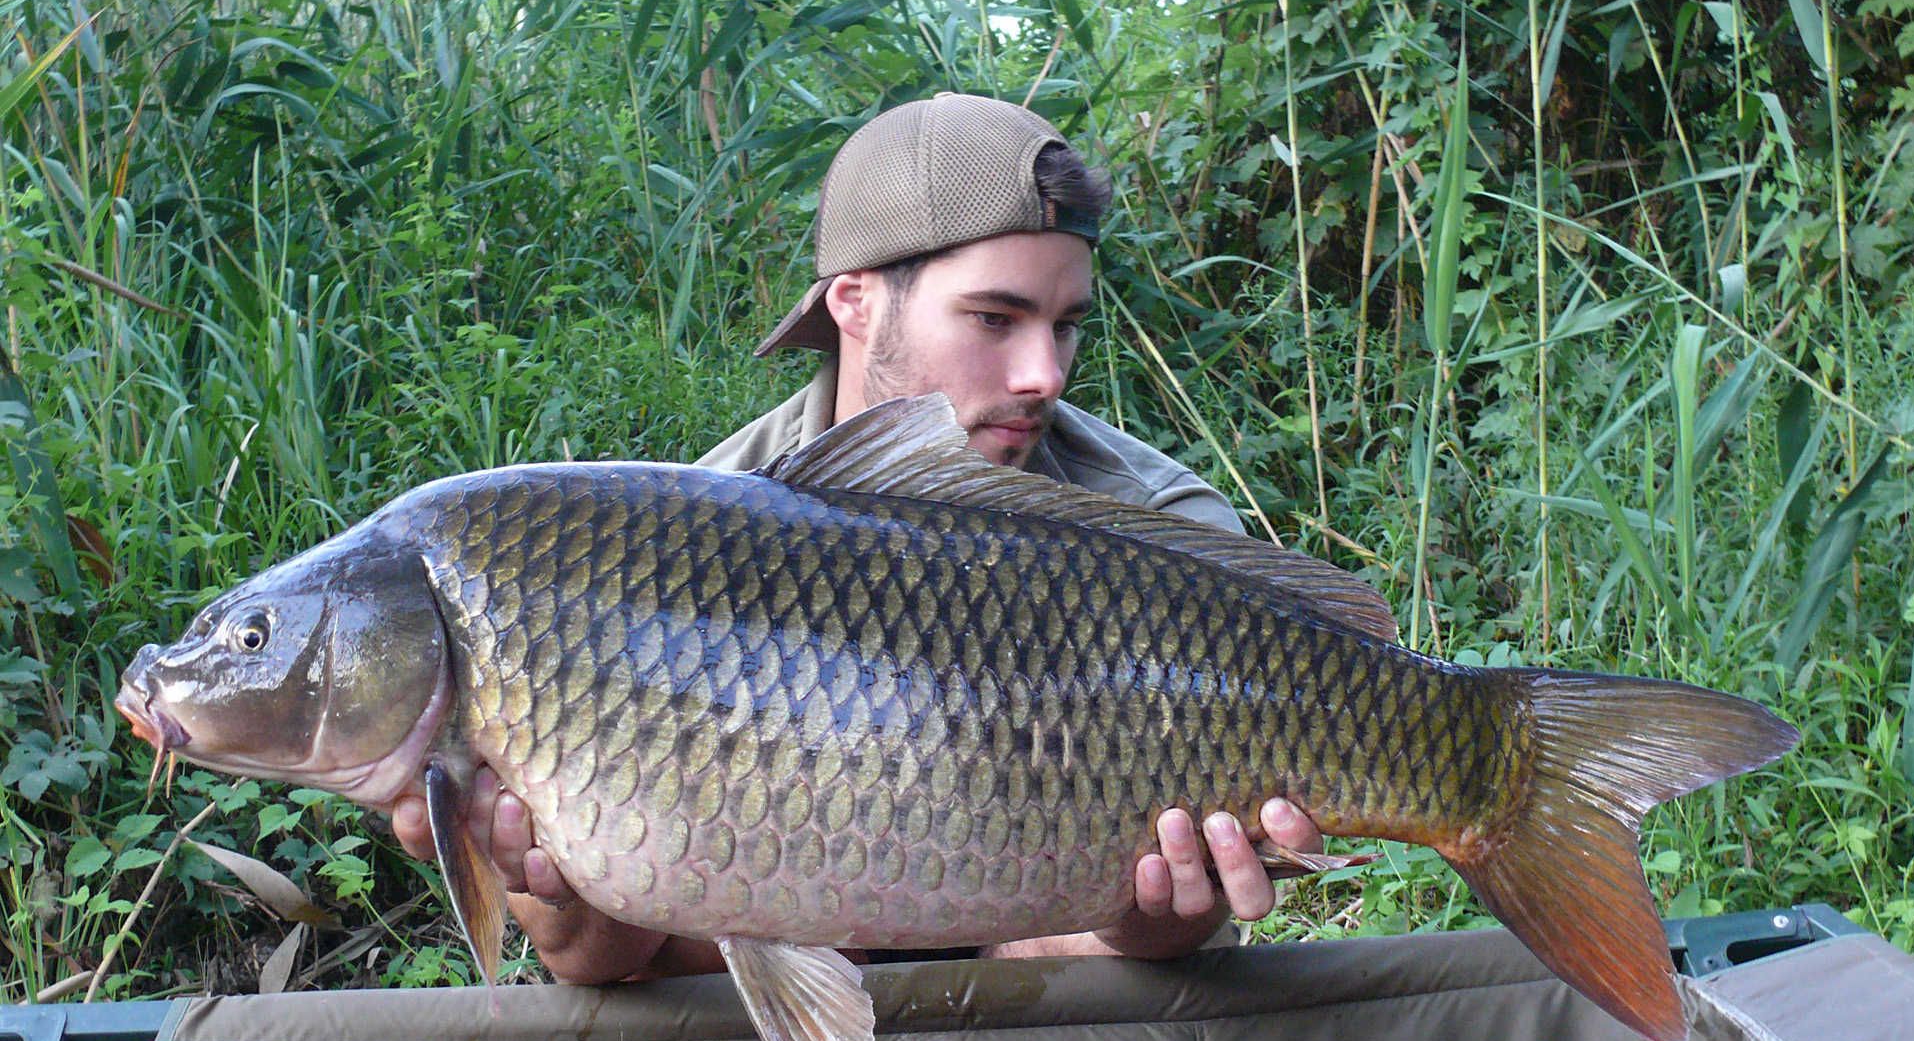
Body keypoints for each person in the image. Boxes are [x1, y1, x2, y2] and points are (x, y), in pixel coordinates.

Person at [389, 93, 1323, 983]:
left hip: (1051, 978)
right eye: (994, 319)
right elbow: (618, 964)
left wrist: (1154, 921)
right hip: (800, 961)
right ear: (854, 303)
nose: (1044, 374)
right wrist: (562, 902)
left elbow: (1165, 930)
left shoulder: (1163, 533)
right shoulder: (684, 531)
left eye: (1066, 325)